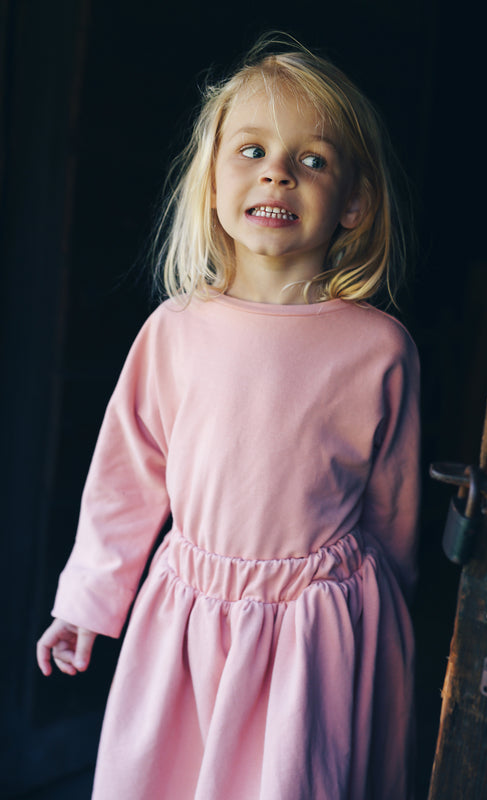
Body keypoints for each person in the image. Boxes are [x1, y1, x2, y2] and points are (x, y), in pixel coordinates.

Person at [37, 33, 420, 800]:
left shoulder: (377, 347)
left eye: (312, 159)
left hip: (313, 633)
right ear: (212, 184)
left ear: (354, 203)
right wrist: (85, 603)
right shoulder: (176, 330)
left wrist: (390, 634)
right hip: (188, 623)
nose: (277, 169)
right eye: (250, 150)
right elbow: (126, 477)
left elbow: (393, 510)